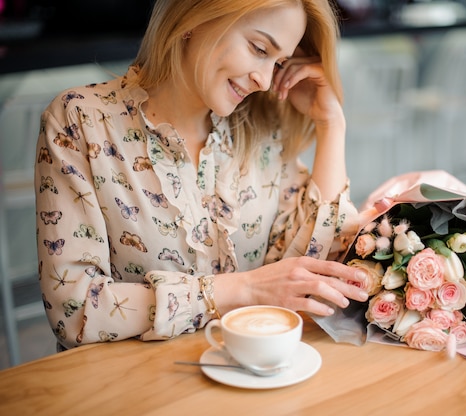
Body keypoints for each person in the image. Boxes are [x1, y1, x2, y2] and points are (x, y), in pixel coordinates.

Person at [35, 0, 369, 350]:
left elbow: (317, 278)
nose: (265, 79)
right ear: (194, 16)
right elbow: (74, 312)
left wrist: (331, 123)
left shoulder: (262, 128)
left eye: (279, 62)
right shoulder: (80, 122)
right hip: (135, 392)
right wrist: (244, 289)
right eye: (259, 49)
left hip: (250, 379)